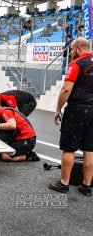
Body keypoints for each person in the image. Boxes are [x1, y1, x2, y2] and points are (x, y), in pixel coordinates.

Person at [49, 38, 93, 196]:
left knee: (69, 148)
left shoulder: (76, 63)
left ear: (79, 49)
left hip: (77, 110)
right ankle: (86, 186)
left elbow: (66, 90)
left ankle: (64, 183)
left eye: (72, 49)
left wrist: (58, 109)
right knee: (89, 149)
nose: (71, 52)